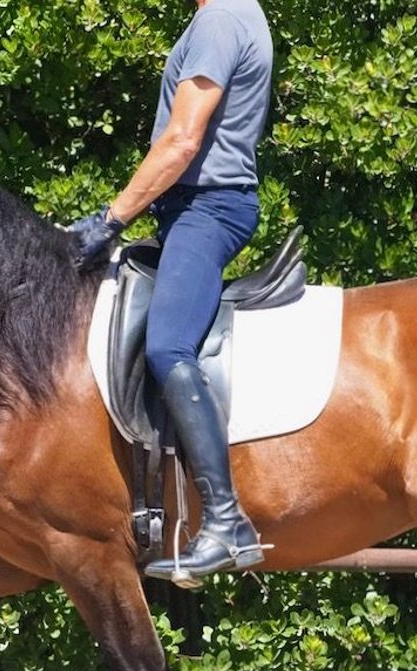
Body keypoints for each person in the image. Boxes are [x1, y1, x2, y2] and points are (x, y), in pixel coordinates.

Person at [70, 0, 273, 580]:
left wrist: (110, 220)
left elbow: (182, 142)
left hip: (207, 208)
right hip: (189, 209)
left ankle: (227, 521)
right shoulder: (235, 15)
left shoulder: (219, 19)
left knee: (167, 346)